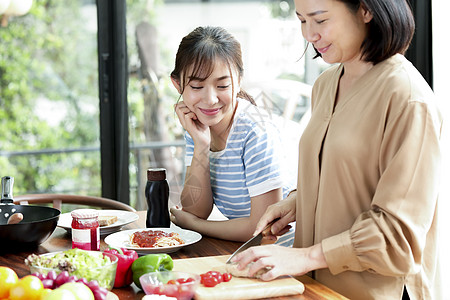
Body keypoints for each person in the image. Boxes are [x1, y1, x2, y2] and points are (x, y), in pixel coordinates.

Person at [230, 1, 443, 299]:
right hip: (320, 287)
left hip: (377, 292)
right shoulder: (326, 84)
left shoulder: (408, 98)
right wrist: (296, 204)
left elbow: (398, 236)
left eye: (320, 20)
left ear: (366, 11)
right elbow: (344, 176)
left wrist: (305, 257)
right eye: (302, 21)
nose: (309, 35)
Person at [169, 26, 298, 246]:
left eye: (222, 85)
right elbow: (194, 210)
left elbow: (260, 229)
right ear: (178, 84)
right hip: (244, 250)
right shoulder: (197, 123)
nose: (210, 99)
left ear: (238, 81)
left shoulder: (256, 131)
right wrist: (201, 145)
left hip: (285, 254)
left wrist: (194, 226)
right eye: (197, 86)